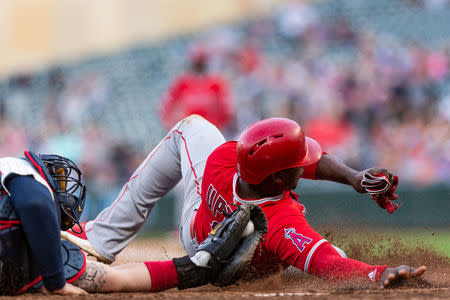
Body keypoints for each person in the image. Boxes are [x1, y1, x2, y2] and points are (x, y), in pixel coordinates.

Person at [64, 115, 426, 289]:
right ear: (281, 179)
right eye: (297, 166)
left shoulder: (226, 158)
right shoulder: (284, 221)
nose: (308, 163)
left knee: (193, 127)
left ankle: (97, 240)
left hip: (199, 222)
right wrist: (377, 272)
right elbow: (325, 260)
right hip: (221, 248)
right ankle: (245, 264)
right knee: (316, 256)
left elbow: (280, 157)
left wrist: (353, 177)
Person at [0, 150, 264, 295]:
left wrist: (194, 269)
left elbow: (115, 280)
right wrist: (56, 282)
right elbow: (34, 203)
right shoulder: (17, 167)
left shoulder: (39, 258)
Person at [158, 46, 233, 130]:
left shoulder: (216, 83)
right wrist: (173, 125)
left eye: (201, 62)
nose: (198, 65)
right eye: (196, 62)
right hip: (189, 131)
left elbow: (227, 108)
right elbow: (166, 105)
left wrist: (218, 125)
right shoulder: (182, 83)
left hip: (210, 130)